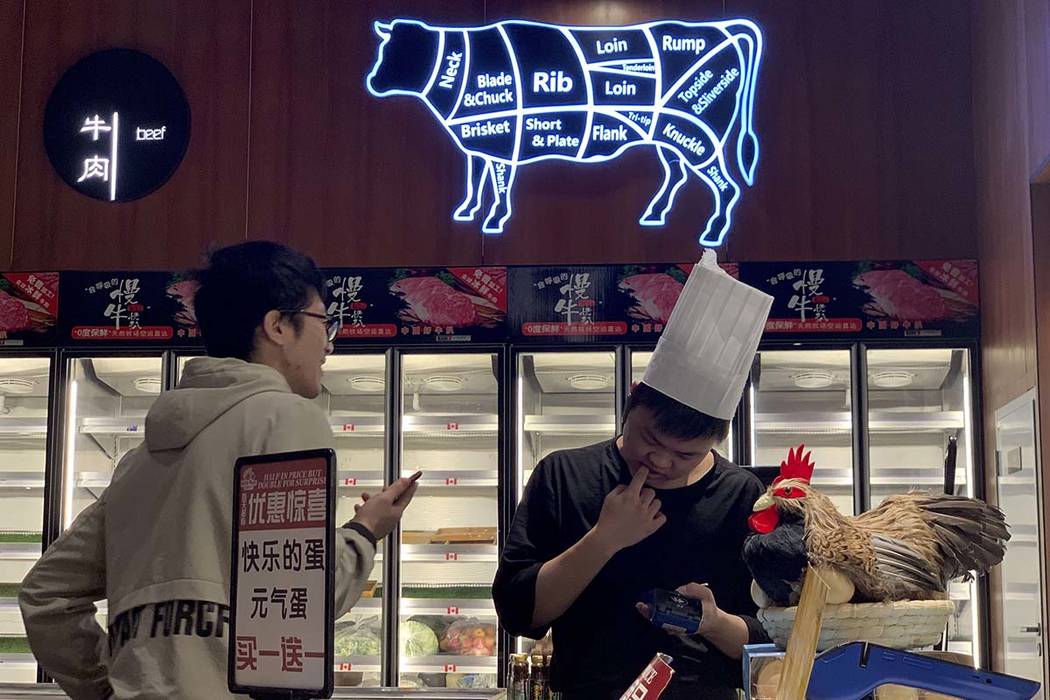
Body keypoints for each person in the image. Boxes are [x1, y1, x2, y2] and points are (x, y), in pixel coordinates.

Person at [19, 241, 419, 700]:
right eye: (323, 321)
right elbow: (306, 597)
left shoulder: (136, 462)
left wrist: (107, 689)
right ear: (277, 326)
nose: (329, 343)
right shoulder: (286, 417)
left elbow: (45, 597)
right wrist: (366, 531)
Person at [493, 251, 774, 700]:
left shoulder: (740, 494)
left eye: (685, 454)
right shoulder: (565, 474)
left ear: (716, 441)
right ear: (631, 403)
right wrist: (605, 538)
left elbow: (767, 640)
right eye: (649, 439)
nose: (661, 461)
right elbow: (521, 616)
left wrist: (714, 622)